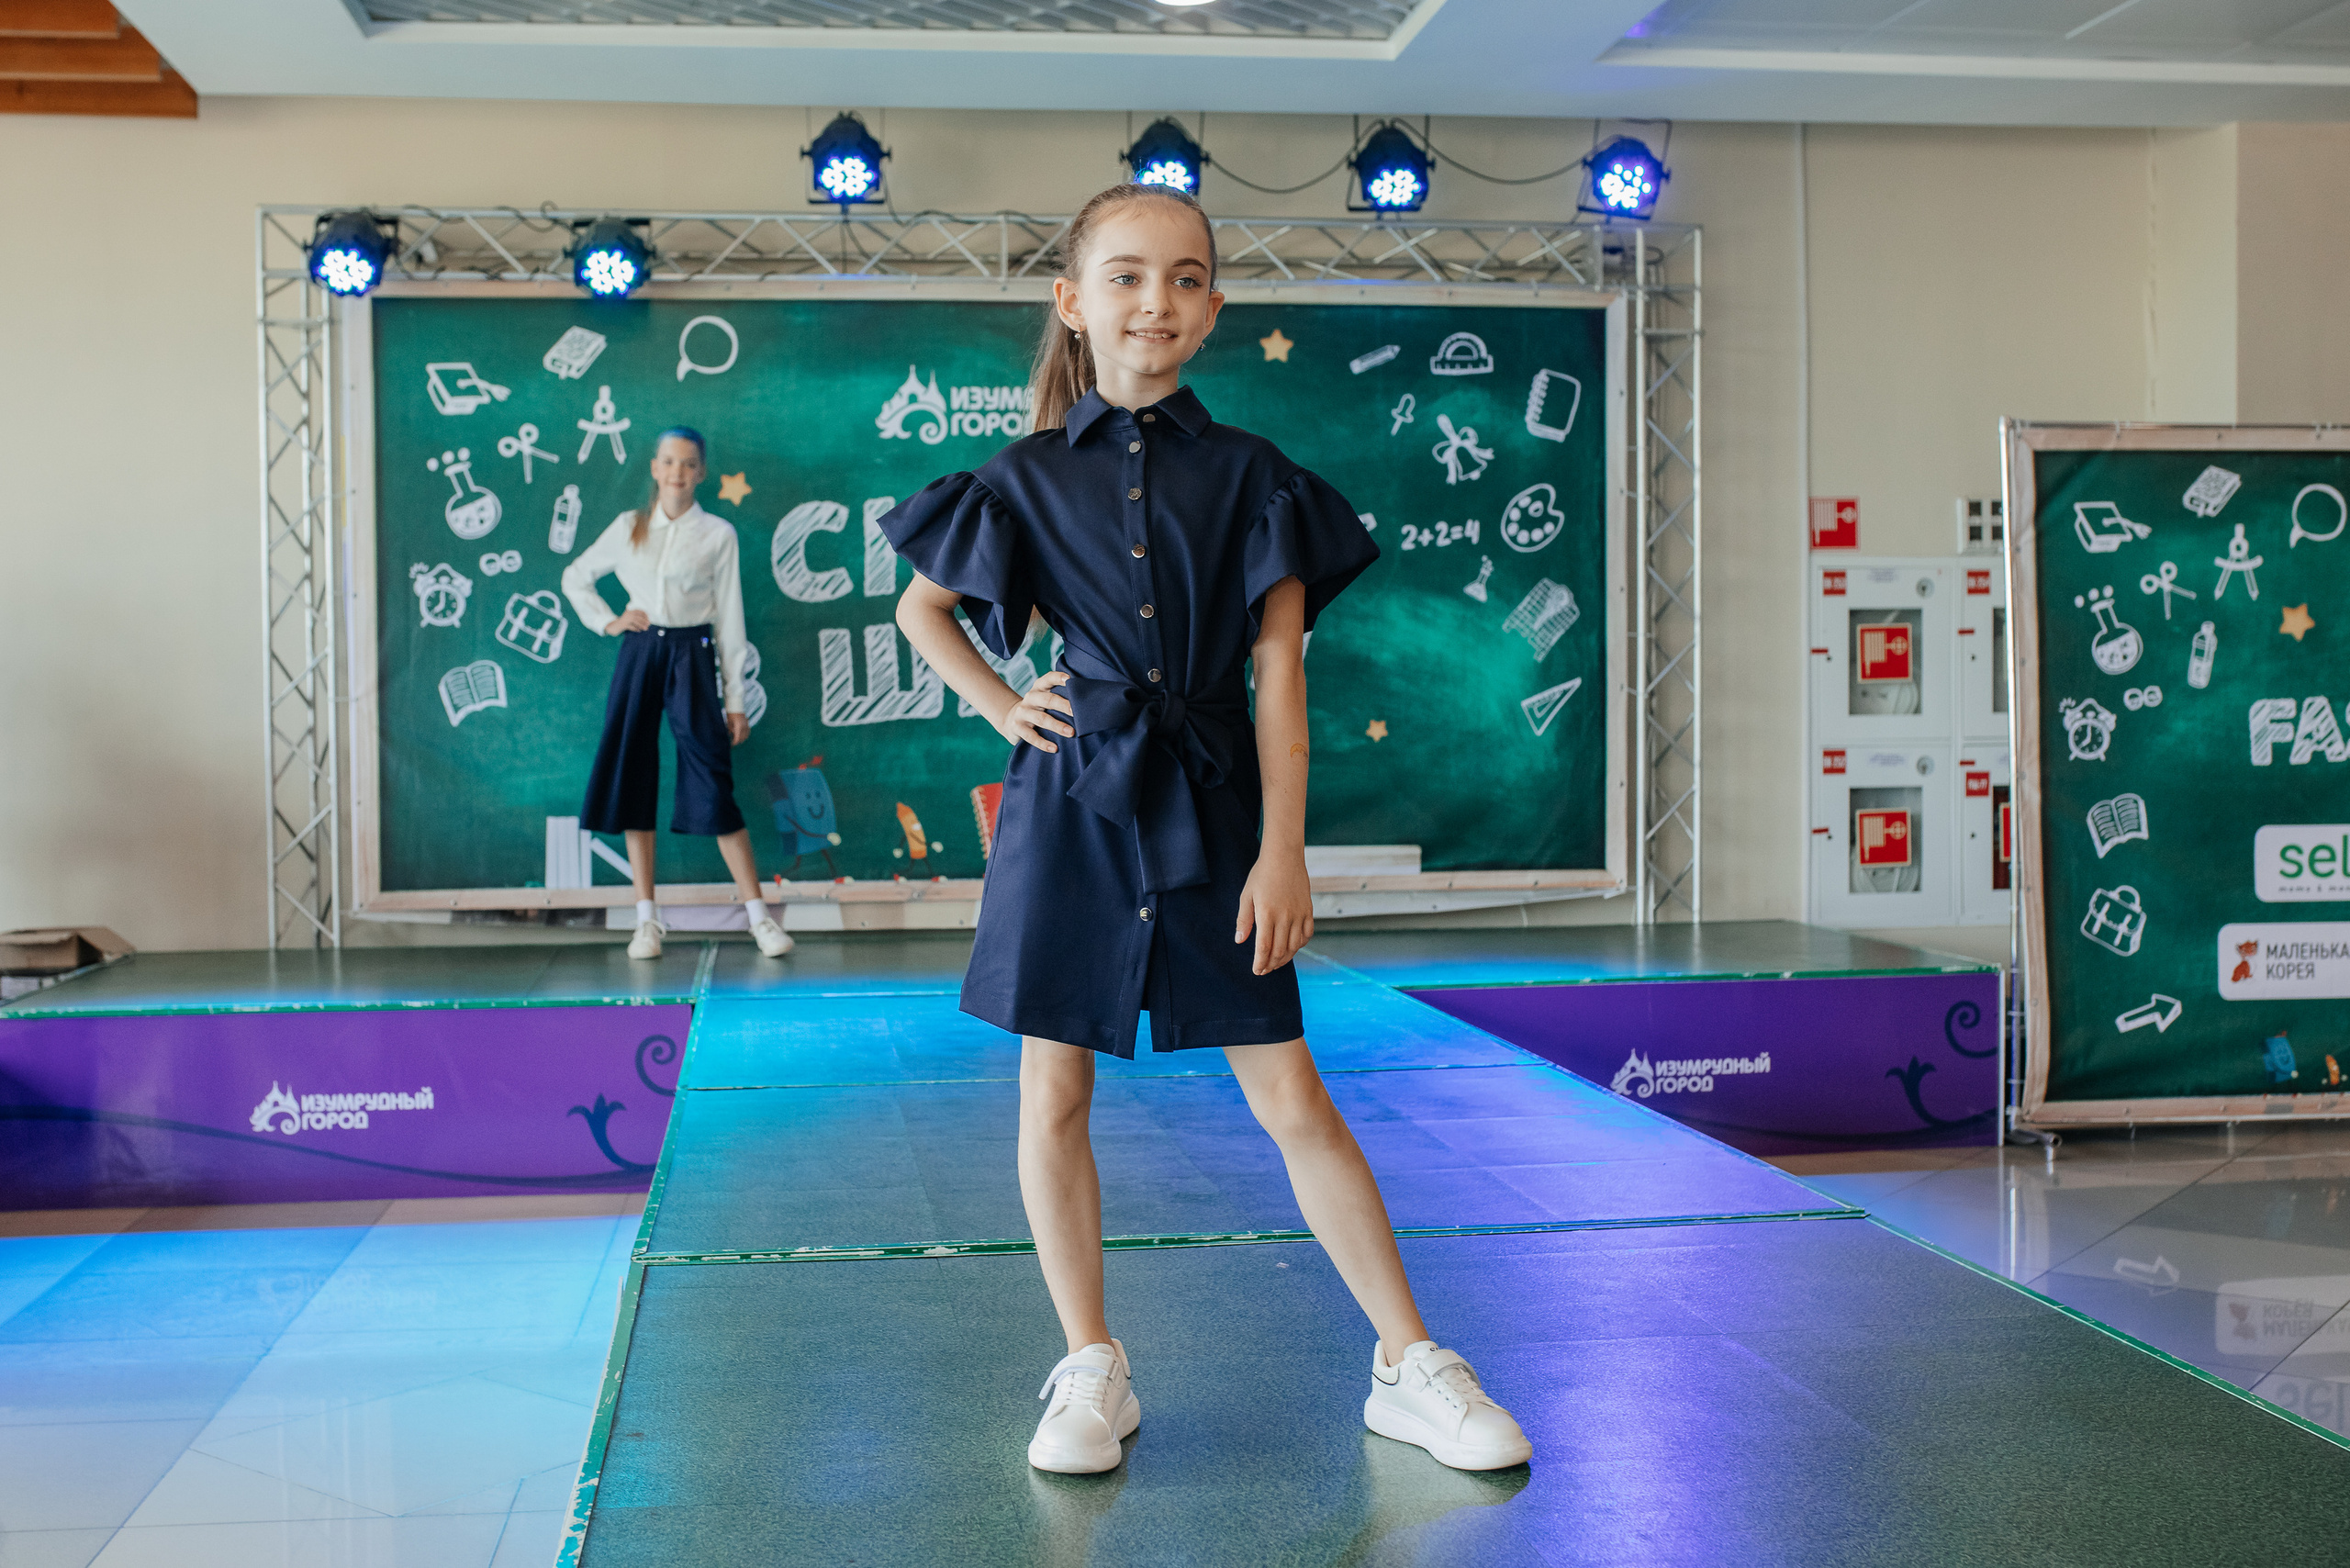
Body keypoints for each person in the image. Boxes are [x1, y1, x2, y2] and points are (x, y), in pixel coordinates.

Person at [885, 185, 1530, 1475]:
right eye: (1124, 277)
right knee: (1051, 1087)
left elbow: (1280, 678)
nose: (1155, 303)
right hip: (1070, 806)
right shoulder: (1014, 479)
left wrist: (1283, 848)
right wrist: (1008, 706)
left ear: (1215, 307)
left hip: (1219, 805)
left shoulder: (1257, 477)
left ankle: (1409, 1361)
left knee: (1291, 1089)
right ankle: (1090, 1366)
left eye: (1185, 280)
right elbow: (922, 614)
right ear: (1073, 302)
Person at [561, 428, 792, 961]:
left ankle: (759, 918)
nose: (677, 472)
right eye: (668, 462)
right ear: (654, 467)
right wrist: (610, 620)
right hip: (640, 651)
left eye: (688, 464)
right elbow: (576, 577)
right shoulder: (629, 527)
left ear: (701, 473)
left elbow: (730, 617)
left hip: (693, 654)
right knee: (632, 773)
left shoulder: (718, 534)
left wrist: (735, 698)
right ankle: (646, 921)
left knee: (712, 774)